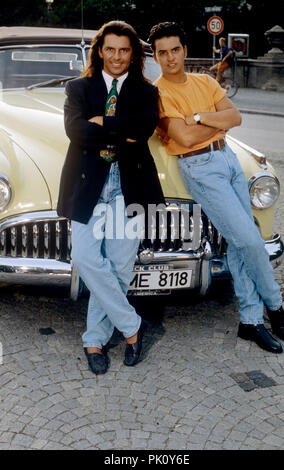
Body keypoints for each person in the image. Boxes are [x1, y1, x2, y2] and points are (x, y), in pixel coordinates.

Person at [147, 21, 284, 354]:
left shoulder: (204, 81)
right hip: (199, 168)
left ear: (184, 50)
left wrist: (197, 118)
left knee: (239, 242)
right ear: (155, 56)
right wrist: (213, 121)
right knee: (249, 240)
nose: (170, 58)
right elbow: (182, 139)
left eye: (175, 50)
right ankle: (275, 305)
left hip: (228, 160)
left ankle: (251, 320)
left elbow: (235, 117)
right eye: (162, 53)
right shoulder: (157, 93)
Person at [57, 20, 164, 375]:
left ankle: (94, 339)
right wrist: (121, 130)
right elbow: (76, 132)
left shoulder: (146, 92)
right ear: (99, 51)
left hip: (129, 187)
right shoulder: (78, 87)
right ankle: (133, 326)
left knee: (119, 267)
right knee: (85, 257)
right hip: (89, 186)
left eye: (124, 50)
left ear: (133, 55)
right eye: (110, 49)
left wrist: (101, 124)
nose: (116, 56)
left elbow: (144, 128)